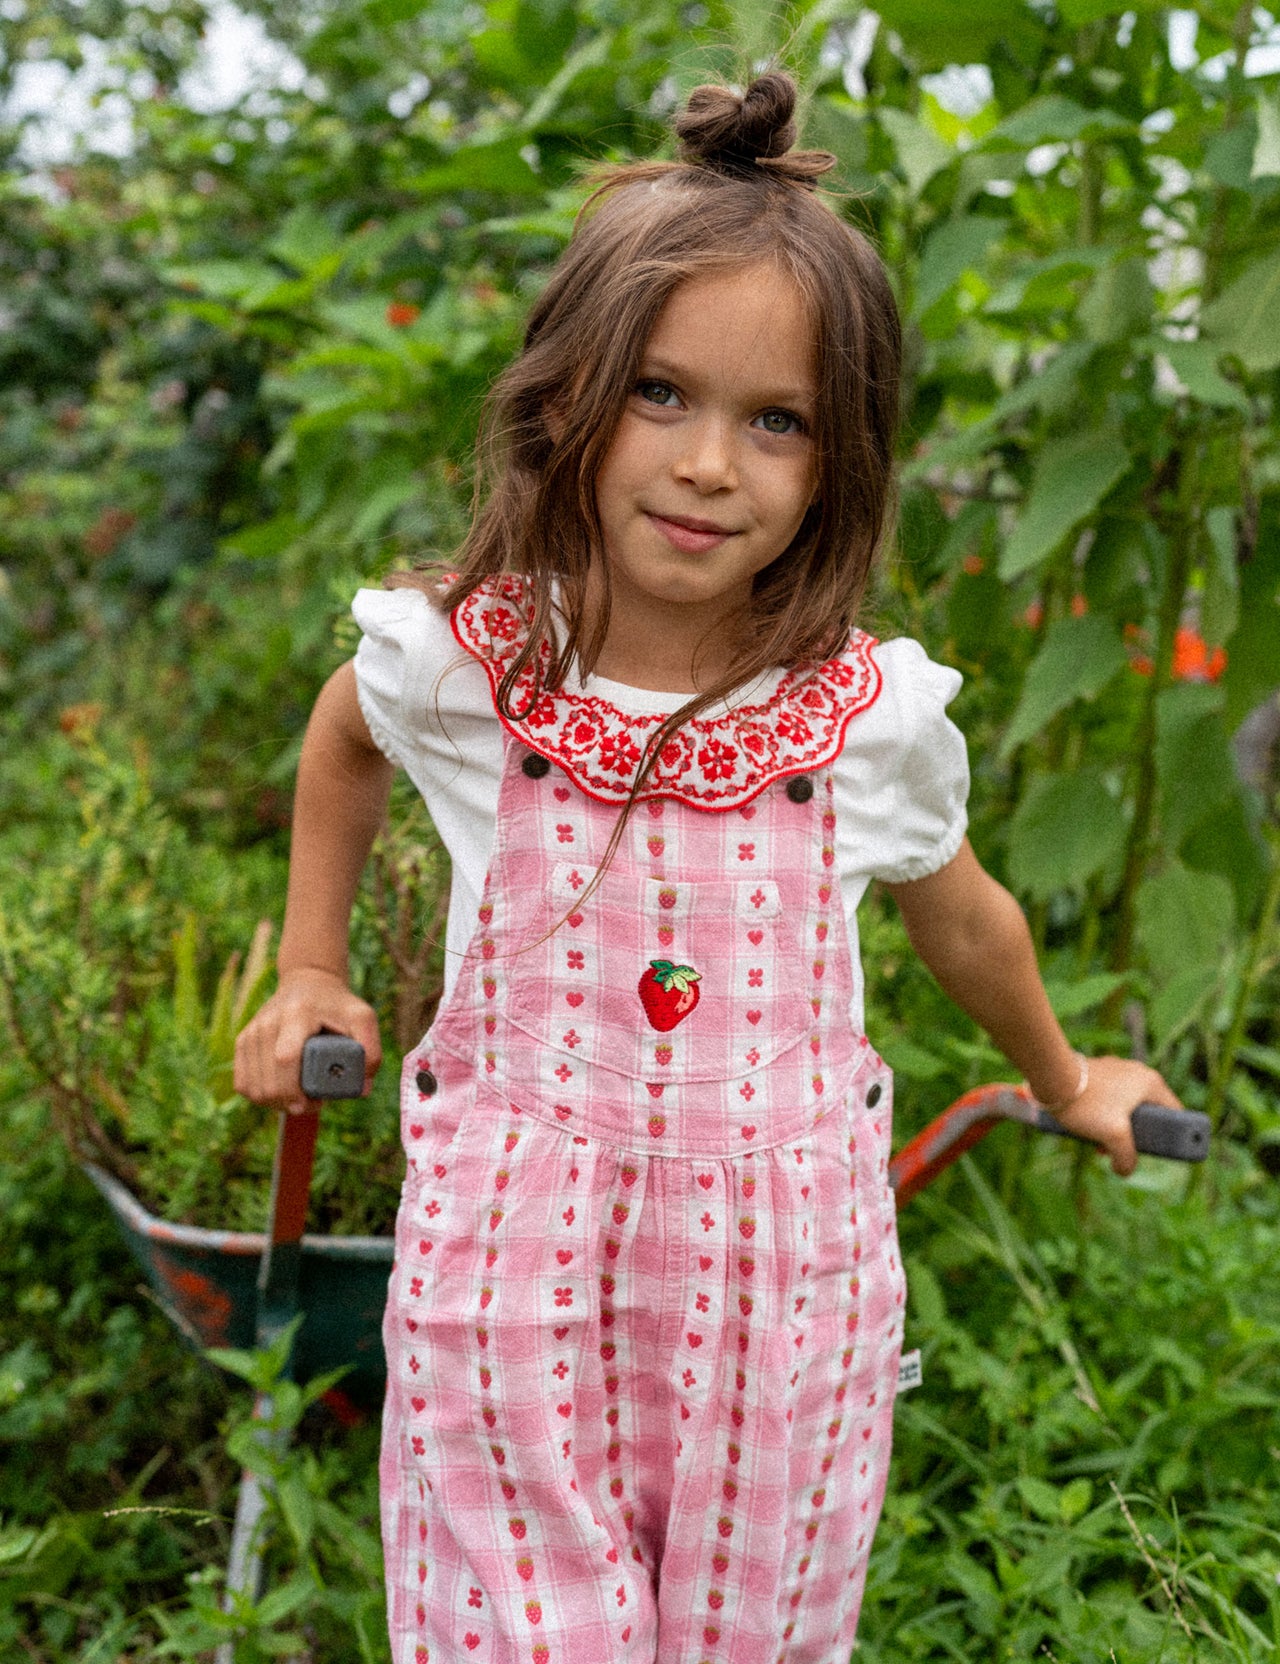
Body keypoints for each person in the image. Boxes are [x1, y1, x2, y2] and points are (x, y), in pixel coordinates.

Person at [234, 71, 1182, 1664]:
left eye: (777, 422)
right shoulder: (478, 666)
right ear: (569, 393)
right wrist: (308, 964)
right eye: (661, 395)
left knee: (759, 1631)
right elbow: (342, 737)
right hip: (511, 1273)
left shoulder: (861, 719)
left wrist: (1070, 1070)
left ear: (840, 459)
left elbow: (962, 914)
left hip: (784, 1299)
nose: (707, 466)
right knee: (522, 1632)